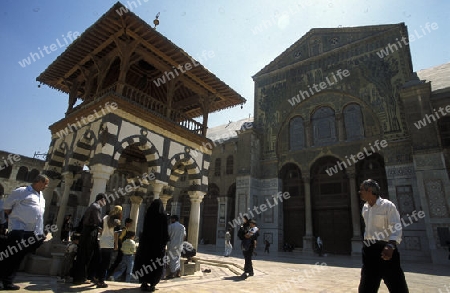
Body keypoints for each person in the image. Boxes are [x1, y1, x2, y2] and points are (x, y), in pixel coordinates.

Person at [358, 179, 409, 293]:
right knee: (366, 287)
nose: (359, 192)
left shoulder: (387, 205)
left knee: (397, 285)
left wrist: (391, 245)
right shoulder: (365, 208)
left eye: (361, 190)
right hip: (369, 251)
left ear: (370, 191)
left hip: (386, 249)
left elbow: (396, 225)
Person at [0, 173, 49, 291]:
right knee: (12, 256)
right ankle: (6, 280)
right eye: (45, 184)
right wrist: (17, 218)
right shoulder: (22, 191)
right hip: (18, 229)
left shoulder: (41, 196)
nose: (46, 186)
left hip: (32, 231)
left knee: (19, 257)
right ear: (39, 182)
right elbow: (7, 208)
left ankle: (8, 280)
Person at [133, 199, 169, 292]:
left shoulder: (148, 214)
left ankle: (144, 282)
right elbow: (165, 232)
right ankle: (153, 284)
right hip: (158, 246)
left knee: (145, 263)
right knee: (156, 265)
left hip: (146, 246)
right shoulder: (163, 216)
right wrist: (165, 242)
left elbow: (144, 229)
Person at [72, 193, 107, 285]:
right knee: (87, 255)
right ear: (101, 199)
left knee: (83, 254)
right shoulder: (96, 207)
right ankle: (83, 277)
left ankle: (80, 277)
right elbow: (98, 221)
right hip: (90, 233)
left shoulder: (91, 206)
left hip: (86, 232)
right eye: (105, 200)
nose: (105, 203)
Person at [95, 205, 122, 288]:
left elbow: (99, 229)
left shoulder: (105, 217)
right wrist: (116, 244)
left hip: (103, 240)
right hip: (110, 242)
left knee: (101, 260)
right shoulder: (117, 220)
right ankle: (101, 281)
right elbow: (116, 235)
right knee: (106, 263)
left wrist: (104, 234)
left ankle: (97, 277)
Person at [167, 214, 186, 279]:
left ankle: (172, 273)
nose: (171, 220)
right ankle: (178, 272)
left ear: (174, 219)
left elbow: (168, 235)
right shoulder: (182, 227)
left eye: (171, 219)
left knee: (172, 259)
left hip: (172, 245)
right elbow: (184, 236)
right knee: (177, 258)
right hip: (180, 245)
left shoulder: (171, 226)